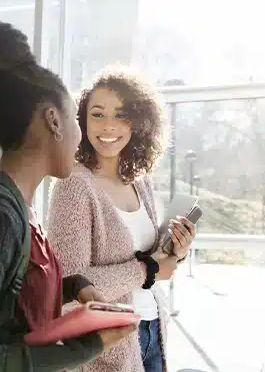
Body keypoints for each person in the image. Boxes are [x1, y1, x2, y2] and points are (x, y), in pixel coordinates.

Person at [0, 21, 135, 372]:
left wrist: (77, 287)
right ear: (53, 120)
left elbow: (12, 299)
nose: (80, 136)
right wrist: (86, 348)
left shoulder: (17, 207)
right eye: (75, 119)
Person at [47, 67, 197, 372]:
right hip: (107, 345)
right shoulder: (73, 185)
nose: (108, 126)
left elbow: (151, 257)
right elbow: (68, 287)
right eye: (98, 114)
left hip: (154, 329)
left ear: (138, 123)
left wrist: (175, 252)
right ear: (82, 121)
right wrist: (150, 269)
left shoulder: (139, 181)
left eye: (121, 115)